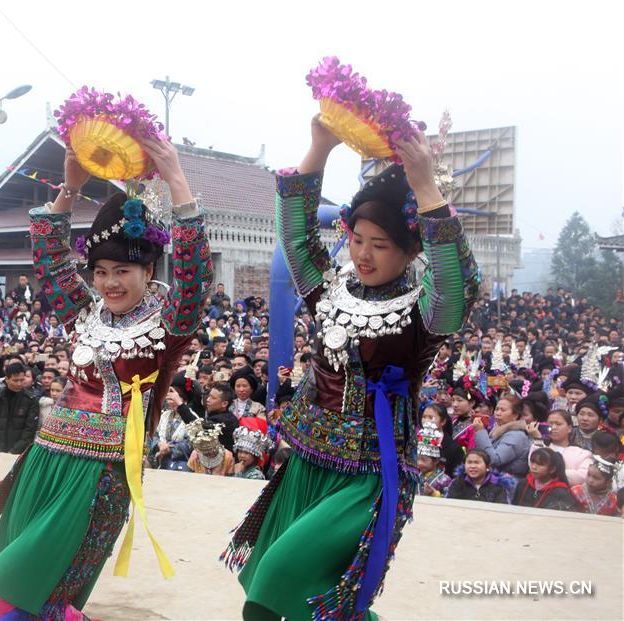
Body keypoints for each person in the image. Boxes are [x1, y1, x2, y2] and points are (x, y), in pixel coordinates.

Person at [0, 137, 212, 620]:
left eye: (123, 270)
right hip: (45, 458)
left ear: (149, 270)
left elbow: (196, 275)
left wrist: (176, 178)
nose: (110, 282)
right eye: (102, 271)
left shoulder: (168, 325)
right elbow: (49, 259)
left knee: (34, 600)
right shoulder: (84, 314)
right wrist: (68, 187)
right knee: (3, 594)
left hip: (103, 472)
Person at [223, 119, 478, 620]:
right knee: (273, 590)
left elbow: (458, 282)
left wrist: (425, 184)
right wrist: (319, 146)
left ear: (409, 251)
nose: (362, 253)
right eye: (357, 238)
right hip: (306, 460)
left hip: (368, 474)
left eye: (379, 245)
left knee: (284, 580)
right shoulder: (331, 289)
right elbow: (296, 239)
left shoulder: (423, 313)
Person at [0, 362, 39, 454]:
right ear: (7, 379)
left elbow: (29, 431)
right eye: (15, 380)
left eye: (22, 380)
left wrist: (13, 452)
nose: (19, 384)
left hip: (19, 452)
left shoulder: (31, 400)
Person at [473, 394, 530, 480]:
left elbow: (495, 460)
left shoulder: (516, 435)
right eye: (497, 409)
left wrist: (480, 432)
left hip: (508, 484)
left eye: (503, 410)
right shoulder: (498, 429)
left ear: (515, 415)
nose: (498, 413)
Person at [533, 409, 593, 486]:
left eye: (558, 424)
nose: (553, 427)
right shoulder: (540, 446)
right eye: (550, 424)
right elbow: (533, 466)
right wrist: (537, 440)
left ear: (569, 428)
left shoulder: (583, 453)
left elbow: (584, 475)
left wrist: (548, 473)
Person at [514, 448, 580, 512]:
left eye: (540, 464)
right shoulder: (523, 484)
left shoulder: (561, 493)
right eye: (532, 462)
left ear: (552, 469)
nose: (533, 467)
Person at [446, 450, 512, 504]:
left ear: (487, 467)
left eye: (477, 463)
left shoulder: (498, 485)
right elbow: (449, 504)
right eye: (469, 462)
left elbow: (502, 509)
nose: (473, 466)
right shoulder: (458, 482)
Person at [416, 421, 452, 497]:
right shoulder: (415, 475)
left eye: (424, 460)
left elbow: (450, 499)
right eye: (417, 459)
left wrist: (434, 493)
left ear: (436, 461)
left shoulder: (445, 479)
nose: (419, 463)